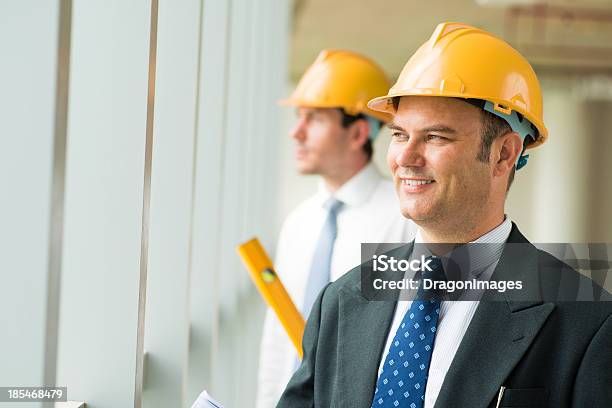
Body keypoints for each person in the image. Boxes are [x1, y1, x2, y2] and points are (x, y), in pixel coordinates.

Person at [277, 22, 611, 407]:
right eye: (400, 134)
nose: (404, 157)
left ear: (503, 154)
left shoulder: (587, 323)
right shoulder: (341, 301)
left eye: (435, 137)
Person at [256, 50, 417, 408]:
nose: (296, 132)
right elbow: (277, 338)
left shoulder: (403, 221)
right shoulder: (298, 222)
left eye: (313, 119)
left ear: (358, 131)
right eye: (299, 117)